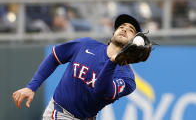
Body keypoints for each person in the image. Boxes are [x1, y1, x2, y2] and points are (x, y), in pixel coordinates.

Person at [12, 14, 142, 120]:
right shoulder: (85, 44)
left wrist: (113, 62)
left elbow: (102, 90)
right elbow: (55, 56)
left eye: (131, 30)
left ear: (134, 43)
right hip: (60, 113)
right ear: (114, 32)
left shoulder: (127, 78)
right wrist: (32, 86)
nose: (124, 29)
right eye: (121, 26)